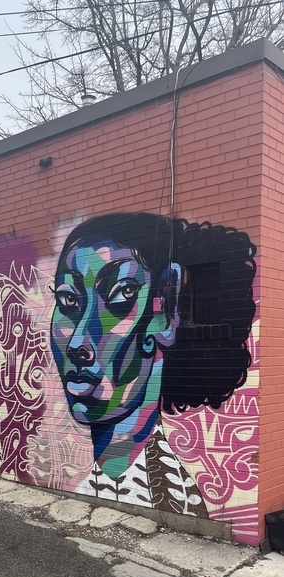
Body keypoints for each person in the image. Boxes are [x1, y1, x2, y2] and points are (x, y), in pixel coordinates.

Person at [50, 212, 256, 515]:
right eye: (68, 300)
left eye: (120, 295)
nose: (79, 343)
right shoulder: (95, 475)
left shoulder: (172, 495)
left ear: (166, 312)